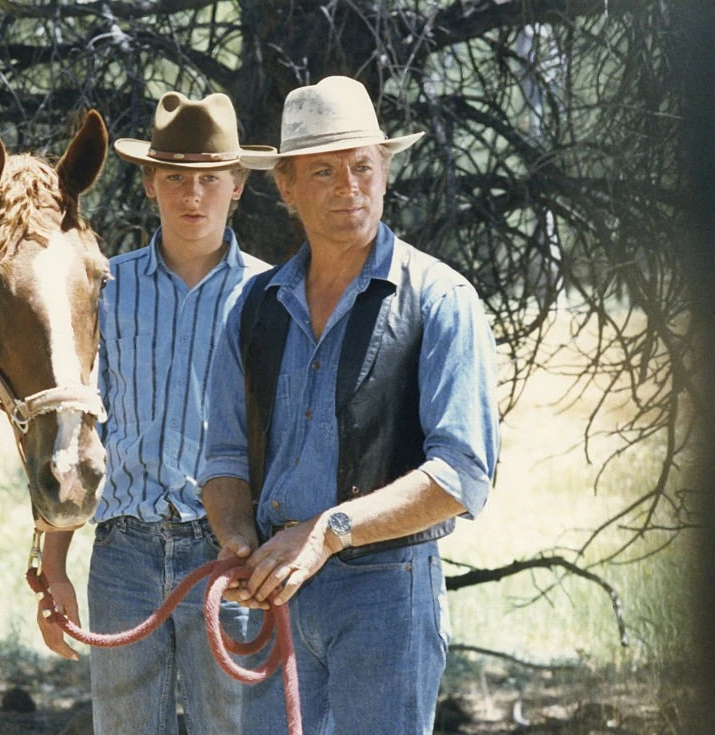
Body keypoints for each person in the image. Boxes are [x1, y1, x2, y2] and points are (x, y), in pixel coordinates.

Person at [199, 75, 499, 734]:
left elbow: (460, 474)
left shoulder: (440, 301)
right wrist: (240, 539)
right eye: (324, 170)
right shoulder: (251, 307)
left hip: (386, 591)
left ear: (385, 171)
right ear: (285, 186)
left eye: (363, 166)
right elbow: (222, 458)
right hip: (278, 591)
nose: (348, 186)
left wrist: (330, 530)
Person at [35, 91, 272, 734]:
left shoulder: (270, 295)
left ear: (237, 185)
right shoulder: (110, 287)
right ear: (149, 184)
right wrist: (54, 566)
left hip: (229, 556)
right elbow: (82, 428)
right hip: (123, 554)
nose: (192, 196)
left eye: (208, 180)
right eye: (174, 178)